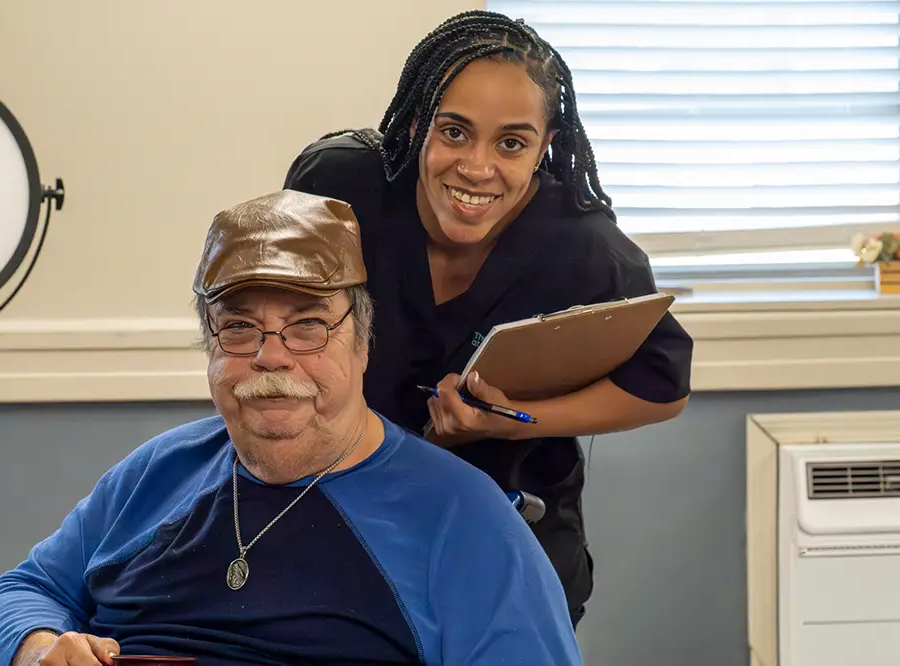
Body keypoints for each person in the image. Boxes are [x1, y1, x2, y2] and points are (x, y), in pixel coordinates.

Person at [0, 190, 584, 666]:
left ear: (362, 342)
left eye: (308, 324)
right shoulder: (158, 471)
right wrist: (37, 645)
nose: (271, 356)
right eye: (238, 328)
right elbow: (17, 592)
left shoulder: (464, 518)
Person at [282, 10, 694, 627]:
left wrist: (515, 424)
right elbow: (281, 316)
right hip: (343, 527)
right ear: (419, 121)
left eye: (511, 142)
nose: (477, 168)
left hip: (512, 542)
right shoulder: (340, 185)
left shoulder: (585, 248)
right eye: (454, 132)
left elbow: (663, 388)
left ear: (544, 146)